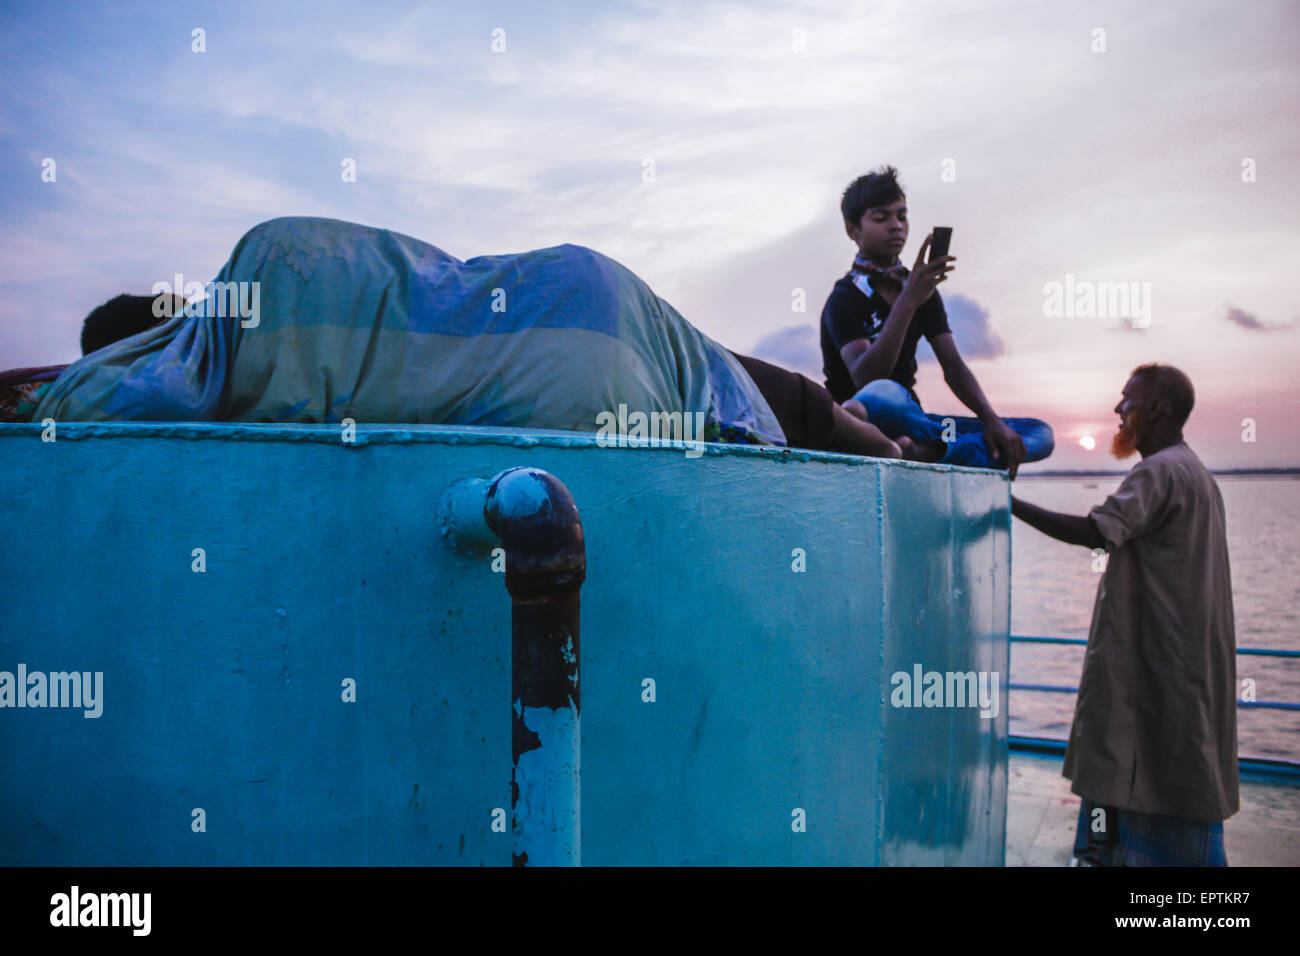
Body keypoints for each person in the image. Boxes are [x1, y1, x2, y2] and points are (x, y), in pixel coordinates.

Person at [23, 216, 903, 458]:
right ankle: (897, 447)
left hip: (566, 391)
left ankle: (893, 439)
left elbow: (66, 392)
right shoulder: (271, 253)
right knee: (779, 395)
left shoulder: (192, 383)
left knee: (765, 399)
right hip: (567, 284)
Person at [1011, 364, 1239, 866]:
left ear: (1156, 408)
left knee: (1146, 781)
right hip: (1178, 664)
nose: (1118, 411)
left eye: (1127, 400)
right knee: (1163, 775)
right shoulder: (1193, 471)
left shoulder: (1159, 471)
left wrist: (1006, 503)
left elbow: (1097, 531)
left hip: (1158, 671)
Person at [820, 166, 1054, 477]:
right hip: (863, 419)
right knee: (884, 392)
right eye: (881, 218)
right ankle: (942, 450)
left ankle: (930, 451)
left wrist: (991, 420)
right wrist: (908, 301)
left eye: (901, 216)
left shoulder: (921, 290)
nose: (896, 226)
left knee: (1038, 434)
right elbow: (866, 377)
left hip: (916, 423)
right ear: (853, 230)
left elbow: (953, 367)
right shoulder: (847, 296)